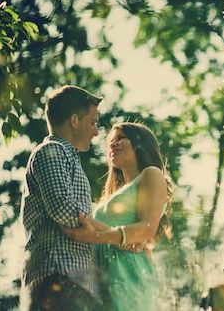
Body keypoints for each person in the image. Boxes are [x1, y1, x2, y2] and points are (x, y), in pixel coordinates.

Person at [63, 122, 174, 311]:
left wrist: (94, 236)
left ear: (140, 144)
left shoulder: (151, 174)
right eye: (111, 142)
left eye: (120, 138)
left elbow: (147, 229)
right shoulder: (112, 195)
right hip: (102, 277)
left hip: (128, 274)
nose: (113, 144)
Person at [20, 85, 102, 311]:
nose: (96, 132)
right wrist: (111, 235)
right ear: (74, 120)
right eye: (93, 122)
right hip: (58, 280)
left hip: (75, 285)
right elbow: (65, 211)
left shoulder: (69, 159)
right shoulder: (51, 151)